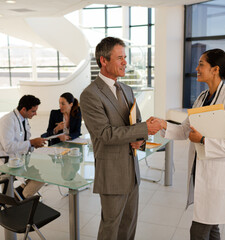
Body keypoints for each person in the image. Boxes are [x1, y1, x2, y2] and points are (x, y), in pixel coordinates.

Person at [153, 49, 225, 240]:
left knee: (199, 232)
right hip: (200, 171)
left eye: (201, 64)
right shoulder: (202, 98)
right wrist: (163, 124)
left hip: (217, 176)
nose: (196, 68)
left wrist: (204, 140)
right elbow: (185, 130)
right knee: (212, 228)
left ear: (215, 69)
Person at [80, 36, 161, 240]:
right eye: (119, 58)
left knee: (129, 225)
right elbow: (105, 134)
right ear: (103, 60)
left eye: (125, 57)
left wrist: (140, 139)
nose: (125, 62)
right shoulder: (90, 95)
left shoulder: (126, 89)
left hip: (132, 171)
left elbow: (136, 124)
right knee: (111, 228)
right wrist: (143, 129)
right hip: (112, 173)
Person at [0, 94, 46, 199]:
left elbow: (23, 141)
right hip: (8, 162)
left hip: (19, 158)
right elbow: (8, 147)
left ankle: (20, 192)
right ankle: (24, 196)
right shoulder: (7, 121)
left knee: (45, 168)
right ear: (23, 109)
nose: (35, 114)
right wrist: (31, 143)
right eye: (33, 111)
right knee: (43, 175)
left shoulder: (23, 119)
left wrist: (34, 145)